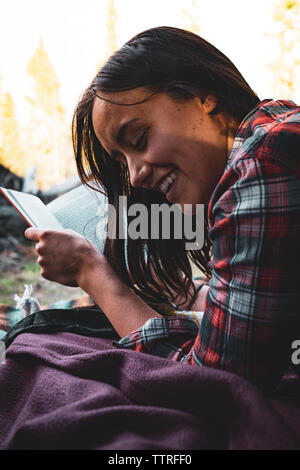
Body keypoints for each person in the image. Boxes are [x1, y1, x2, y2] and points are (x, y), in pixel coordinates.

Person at [25, 26, 300, 393]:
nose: (136, 175)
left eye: (139, 139)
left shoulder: (263, 164)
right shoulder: (276, 126)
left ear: (204, 96)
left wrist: (91, 272)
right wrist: (191, 295)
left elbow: (214, 385)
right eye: (123, 162)